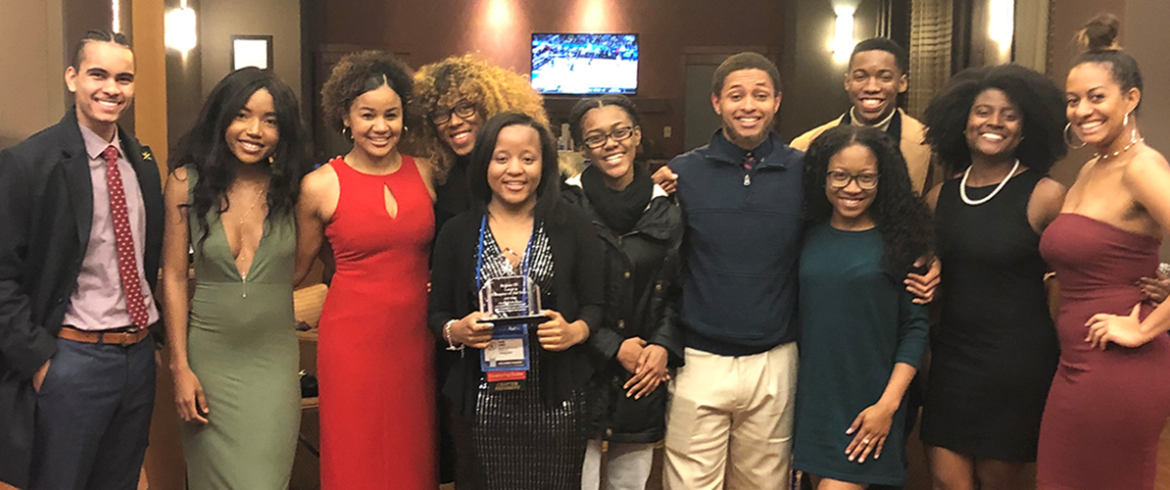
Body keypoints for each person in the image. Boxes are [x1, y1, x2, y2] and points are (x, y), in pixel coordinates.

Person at [0, 30, 163, 490]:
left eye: (124, 78)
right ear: (72, 78)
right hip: (72, 360)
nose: (112, 88)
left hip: (136, 359)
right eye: (98, 74)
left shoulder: (142, 161)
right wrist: (39, 360)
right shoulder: (29, 162)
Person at [428, 112, 604, 490]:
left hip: (555, 400)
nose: (515, 170)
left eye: (528, 158)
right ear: (485, 163)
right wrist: (455, 330)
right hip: (481, 402)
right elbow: (437, 313)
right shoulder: (457, 231)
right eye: (501, 157)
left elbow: (596, 303)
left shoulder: (571, 225)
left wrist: (575, 331)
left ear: (545, 164)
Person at [916, 64, 1068, 490]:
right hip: (951, 360)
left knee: (995, 480)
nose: (994, 123)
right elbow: (933, 273)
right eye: (983, 111)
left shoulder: (1045, 195)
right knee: (948, 480)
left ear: (1026, 129)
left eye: (1009, 114)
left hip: (1017, 366)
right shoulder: (939, 197)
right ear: (963, 122)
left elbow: (1082, 267)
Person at [1037, 14, 1170, 490]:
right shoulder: (1093, 167)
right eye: (1073, 100)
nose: (1082, 110)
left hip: (1118, 367)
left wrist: (1143, 328)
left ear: (1130, 99)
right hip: (1076, 360)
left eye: (1097, 97)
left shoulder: (1142, 167)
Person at [160, 68, 310, 489]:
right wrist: (180, 367)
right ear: (221, 118)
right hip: (207, 364)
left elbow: (310, 265)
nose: (254, 130)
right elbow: (172, 276)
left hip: (273, 367)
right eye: (242, 115)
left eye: (270, 120)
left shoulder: (297, 189)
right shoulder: (185, 183)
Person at [294, 50, 437, 488]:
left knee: (413, 455)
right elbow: (296, 270)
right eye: (367, 114)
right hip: (351, 343)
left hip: (416, 339)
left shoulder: (427, 173)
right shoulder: (320, 185)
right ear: (346, 117)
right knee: (356, 455)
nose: (380, 126)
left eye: (391, 115)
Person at [407, 54, 551, 484]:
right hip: (462, 337)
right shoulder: (436, 176)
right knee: (466, 452)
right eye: (440, 113)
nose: (452, 121)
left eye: (464, 108)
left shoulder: (531, 175)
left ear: (491, 104)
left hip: (533, 343)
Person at [794, 125, 931, 489]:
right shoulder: (806, 233)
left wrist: (887, 407)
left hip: (869, 405)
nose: (852, 189)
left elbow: (915, 330)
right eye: (840, 176)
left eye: (866, 178)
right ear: (822, 177)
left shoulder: (901, 242)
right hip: (812, 403)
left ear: (883, 179)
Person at [562, 95, 684, 490]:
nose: (610, 144)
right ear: (582, 148)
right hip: (581, 369)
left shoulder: (666, 206)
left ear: (636, 136)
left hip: (642, 376)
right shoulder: (566, 204)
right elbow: (559, 292)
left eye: (619, 133)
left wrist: (662, 347)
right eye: (596, 138)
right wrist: (614, 347)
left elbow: (677, 286)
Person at [790, 38, 933, 193]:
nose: (871, 87)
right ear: (847, 82)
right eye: (860, 77)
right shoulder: (805, 146)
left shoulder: (928, 145)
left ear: (902, 83)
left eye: (884, 77)